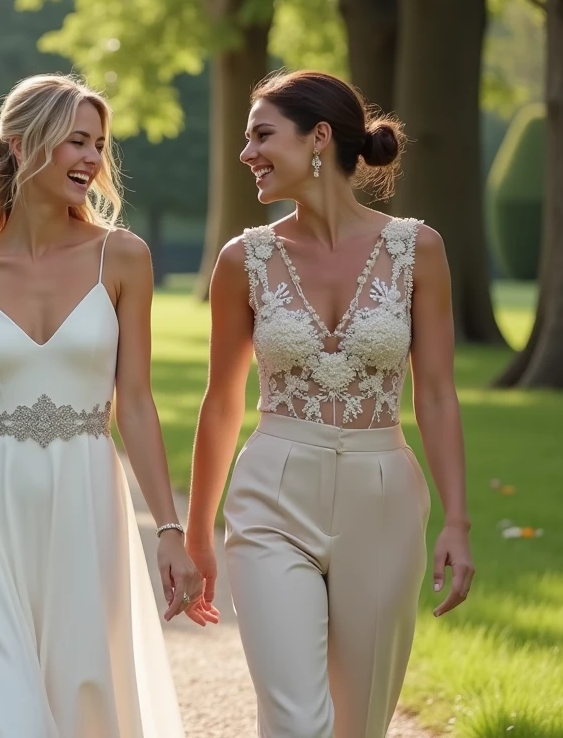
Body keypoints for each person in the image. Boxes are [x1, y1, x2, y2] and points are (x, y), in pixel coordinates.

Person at [0, 73, 212, 738]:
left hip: (84, 500)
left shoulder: (123, 258)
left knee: (80, 694)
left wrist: (168, 530)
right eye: (76, 142)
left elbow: (135, 406)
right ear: (21, 145)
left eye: (99, 144)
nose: (93, 159)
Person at [185, 70, 475, 738]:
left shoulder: (417, 249)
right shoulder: (243, 259)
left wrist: (457, 520)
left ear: (319, 138)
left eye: (262, 135)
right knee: (294, 719)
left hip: (383, 495)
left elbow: (435, 394)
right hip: (272, 494)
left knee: (360, 723)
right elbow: (223, 400)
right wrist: (198, 530)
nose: (246, 153)